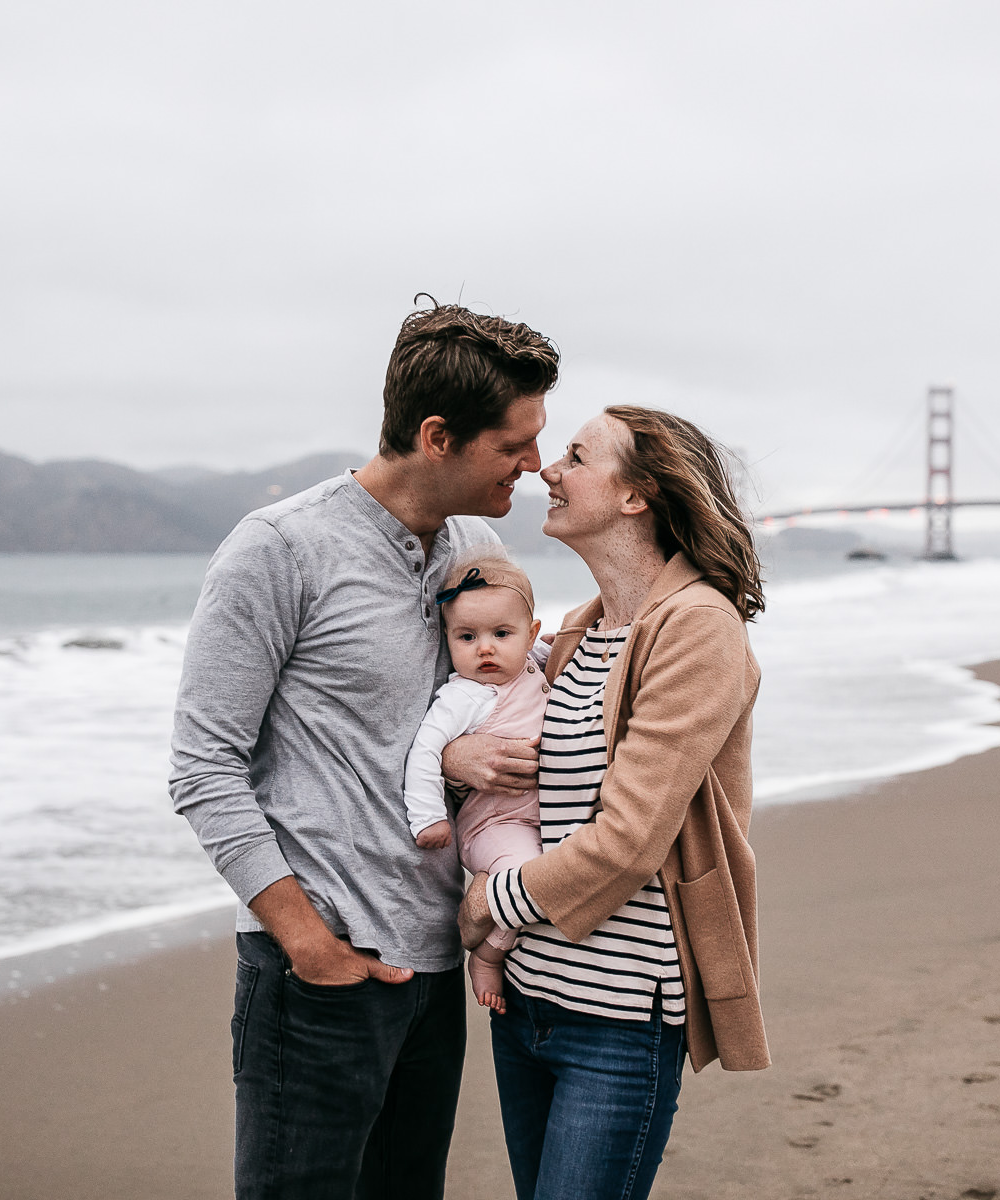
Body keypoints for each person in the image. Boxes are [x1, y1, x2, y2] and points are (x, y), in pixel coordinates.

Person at [168, 300, 557, 1200]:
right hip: (323, 966)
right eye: (514, 444)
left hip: (437, 951)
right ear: (437, 436)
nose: (534, 466)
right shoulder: (279, 550)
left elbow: (467, 712)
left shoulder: (478, 548)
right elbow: (203, 767)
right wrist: (305, 942)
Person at [457, 404, 772, 1199]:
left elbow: (631, 840)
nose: (545, 470)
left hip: (618, 1016)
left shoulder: (699, 629)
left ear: (637, 495)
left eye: (574, 457)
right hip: (527, 997)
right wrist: (460, 755)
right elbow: (514, 763)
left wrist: (490, 903)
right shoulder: (576, 633)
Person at [402, 551, 550, 1011]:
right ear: (448, 640)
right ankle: (487, 954)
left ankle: (491, 894)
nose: (485, 649)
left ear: (532, 635)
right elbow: (425, 749)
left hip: (532, 819)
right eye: (467, 637)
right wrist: (427, 818)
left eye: (501, 634)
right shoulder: (465, 696)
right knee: (533, 882)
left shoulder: (534, 667)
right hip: (494, 826)